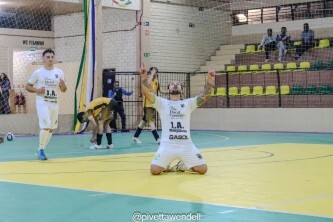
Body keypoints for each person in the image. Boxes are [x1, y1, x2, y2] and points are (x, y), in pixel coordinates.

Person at [139, 64, 215, 175]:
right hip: (167, 145)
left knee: (203, 169)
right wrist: (144, 77)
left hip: (186, 145)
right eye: (172, 84)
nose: (175, 85)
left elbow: (206, 96)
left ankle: (182, 166)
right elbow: (146, 92)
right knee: (154, 171)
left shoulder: (189, 103)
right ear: (168, 89)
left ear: (182, 90)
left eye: (178, 84)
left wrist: (210, 80)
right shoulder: (161, 103)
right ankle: (166, 165)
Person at [26, 49, 67, 160]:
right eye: (48, 57)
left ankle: (42, 149)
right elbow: (28, 86)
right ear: (43, 59)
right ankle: (40, 149)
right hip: (42, 102)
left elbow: (64, 90)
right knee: (46, 125)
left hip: (54, 103)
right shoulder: (38, 72)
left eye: (52, 57)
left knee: (51, 129)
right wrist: (37, 90)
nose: (50, 59)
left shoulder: (59, 72)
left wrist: (63, 85)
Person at [132, 67, 168, 144]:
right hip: (147, 104)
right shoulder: (147, 79)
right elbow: (147, 84)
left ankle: (135, 137)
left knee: (144, 121)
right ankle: (157, 138)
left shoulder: (156, 81)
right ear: (150, 72)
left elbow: (161, 90)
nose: (155, 73)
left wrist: (168, 91)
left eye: (156, 72)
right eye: (154, 71)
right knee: (151, 121)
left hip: (153, 104)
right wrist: (151, 74)